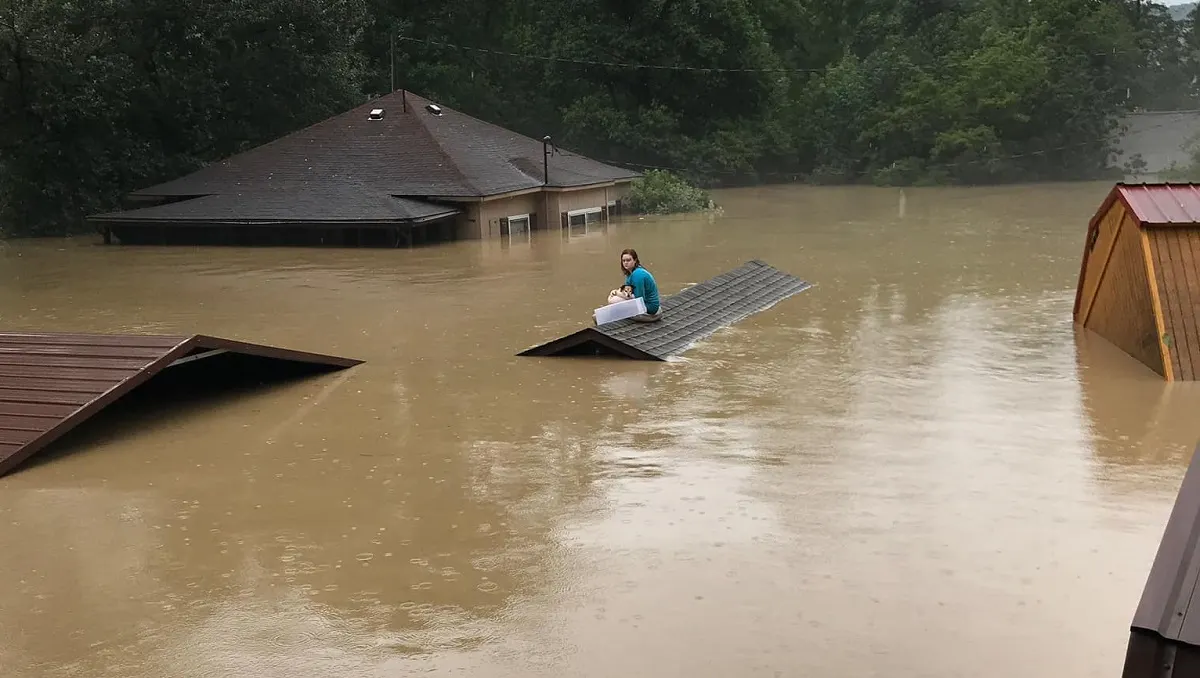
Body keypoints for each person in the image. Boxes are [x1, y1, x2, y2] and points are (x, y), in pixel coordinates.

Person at [619, 248, 662, 322]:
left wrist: (618, 294)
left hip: (650, 307)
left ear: (635, 260)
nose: (625, 263)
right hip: (645, 304)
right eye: (624, 261)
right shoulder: (630, 274)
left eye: (628, 260)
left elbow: (639, 299)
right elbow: (628, 292)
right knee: (614, 297)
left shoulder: (637, 274)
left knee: (614, 300)